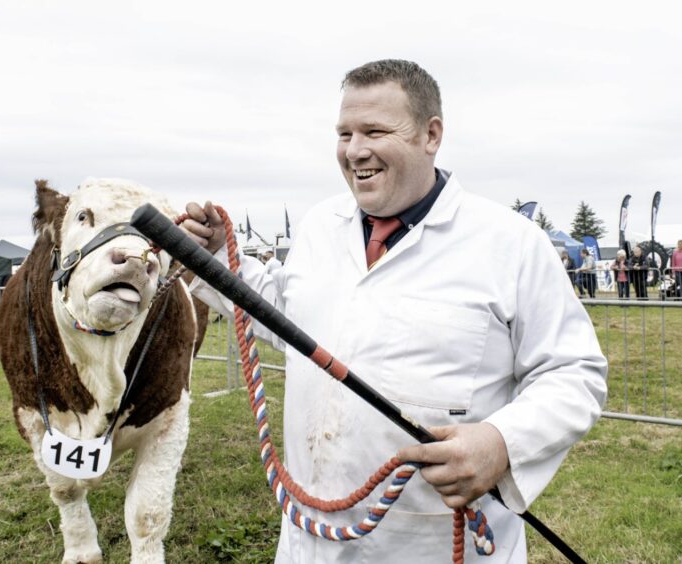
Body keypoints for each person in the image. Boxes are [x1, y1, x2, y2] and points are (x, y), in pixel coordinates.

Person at [182, 59, 607, 562]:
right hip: (312, 538)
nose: (354, 150)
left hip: (430, 541)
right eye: (344, 133)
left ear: (431, 135)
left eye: (374, 130)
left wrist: (501, 442)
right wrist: (212, 260)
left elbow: (573, 371)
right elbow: (289, 323)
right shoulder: (321, 226)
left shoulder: (509, 243)